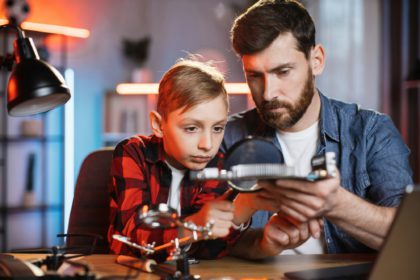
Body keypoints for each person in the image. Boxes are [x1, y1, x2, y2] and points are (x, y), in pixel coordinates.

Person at [223, 0, 413, 259]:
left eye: (283, 71)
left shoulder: (371, 132)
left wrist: (335, 204)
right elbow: (201, 241)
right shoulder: (227, 136)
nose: (268, 93)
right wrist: (260, 244)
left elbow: (410, 239)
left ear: (317, 61)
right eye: (254, 76)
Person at [108, 59, 239, 260]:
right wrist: (196, 225)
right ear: (159, 125)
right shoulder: (133, 153)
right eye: (191, 128)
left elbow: (210, 248)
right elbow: (135, 236)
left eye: (217, 128)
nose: (207, 144)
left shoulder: (217, 163)